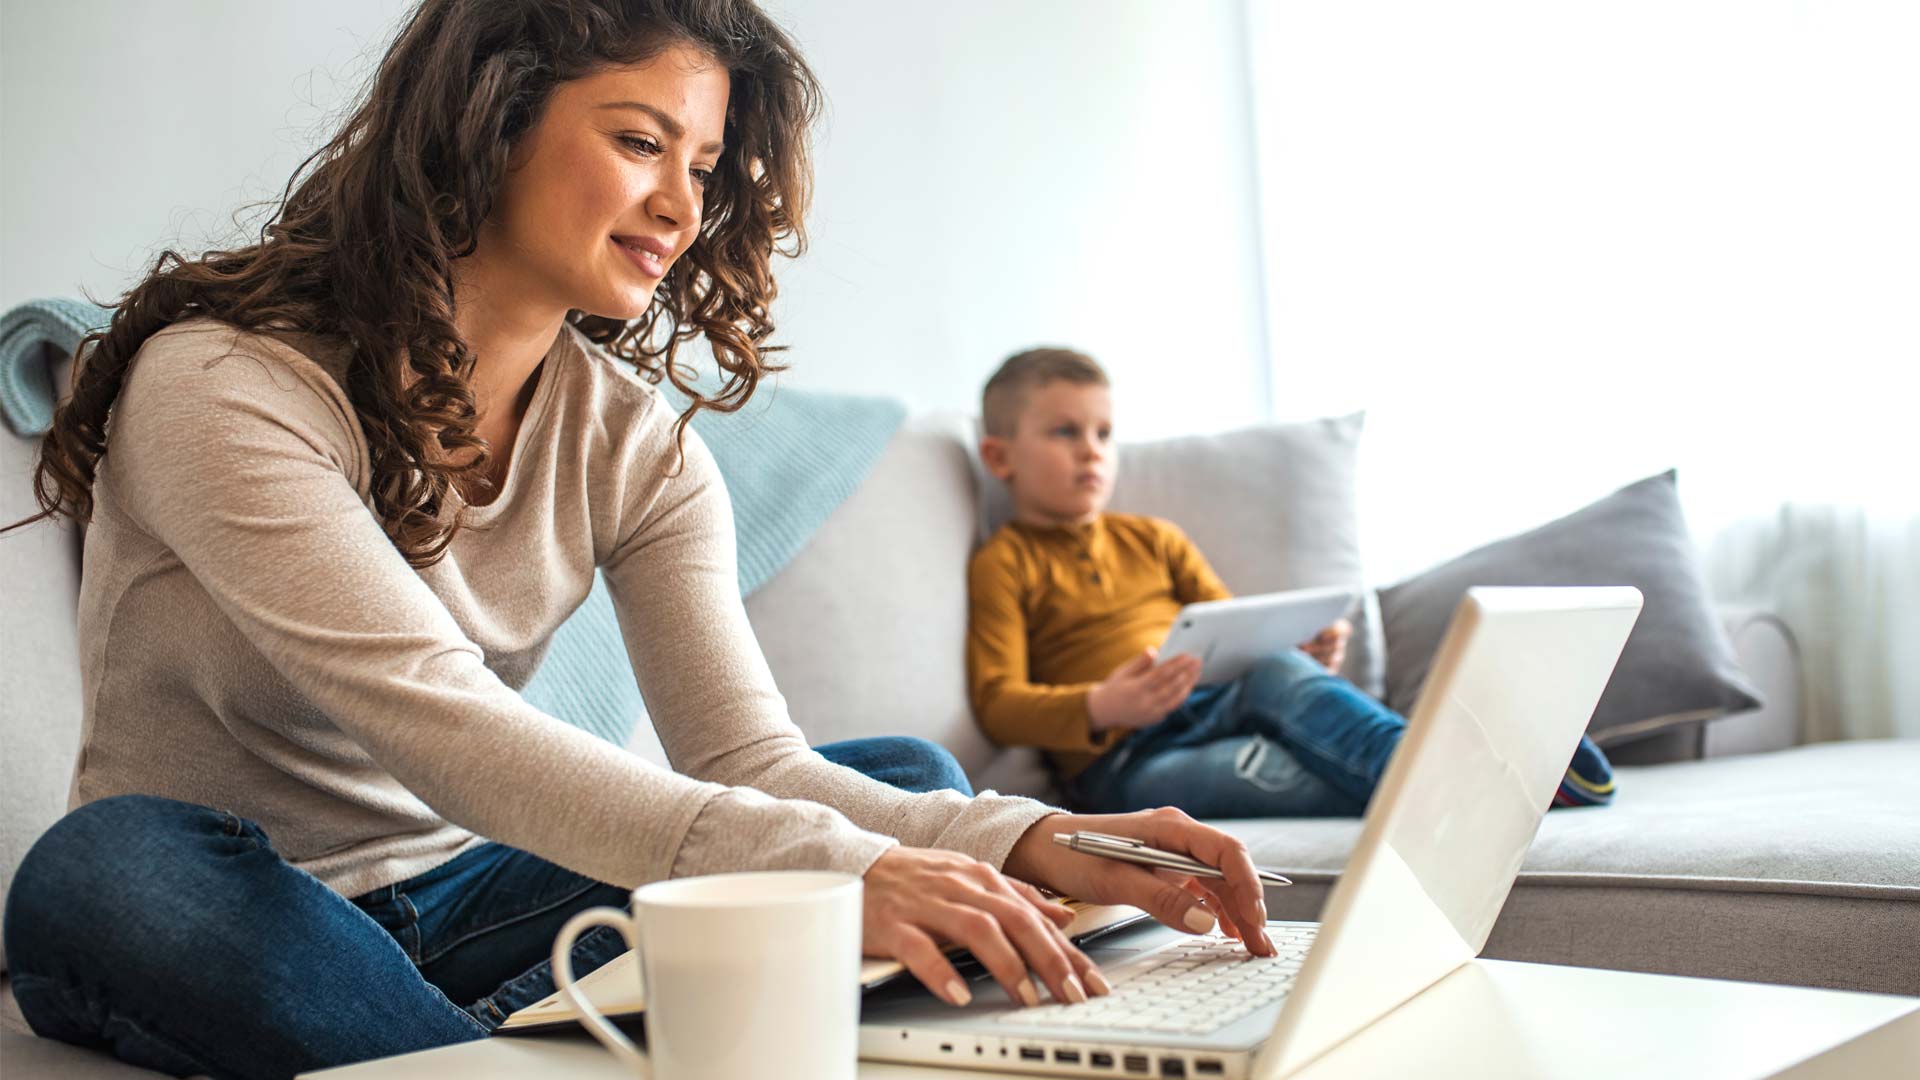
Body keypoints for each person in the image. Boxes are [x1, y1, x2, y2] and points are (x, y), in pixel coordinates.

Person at [0, 4, 1276, 1077]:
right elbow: (440, 721)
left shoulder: (636, 443)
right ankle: (540, 1039)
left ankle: (491, 1041)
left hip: (468, 898)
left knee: (909, 780)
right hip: (224, 892)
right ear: (489, 126)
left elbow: (747, 756)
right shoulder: (224, 384)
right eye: (637, 141)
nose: (680, 203)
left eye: (705, 166)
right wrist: (850, 869)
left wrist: (1026, 837)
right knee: (108, 872)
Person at [966, 346, 1618, 818]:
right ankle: (1500, 775)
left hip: (1222, 703)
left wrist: (1296, 651)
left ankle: (1472, 773)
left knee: (1279, 669)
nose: (1092, 451)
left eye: (1104, 433)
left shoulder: (1152, 537)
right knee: (1283, 772)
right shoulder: (1005, 562)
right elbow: (997, 701)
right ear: (999, 456)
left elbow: (1234, 632)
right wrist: (1101, 707)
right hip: (1124, 765)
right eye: (1065, 432)